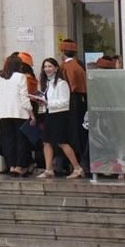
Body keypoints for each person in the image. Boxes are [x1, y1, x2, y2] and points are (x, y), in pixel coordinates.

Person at [37, 57, 85, 179]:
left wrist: (49, 103)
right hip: (49, 114)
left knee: (61, 142)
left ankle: (77, 168)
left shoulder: (62, 83)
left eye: (50, 66)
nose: (47, 69)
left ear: (56, 68)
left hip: (59, 115)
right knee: (46, 141)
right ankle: (49, 169)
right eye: (45, 66)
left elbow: (65, 101)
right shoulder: (45, 83)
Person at [0, 53, 35, 177]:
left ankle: (11, 165)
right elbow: (24, 97)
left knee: (8, 141)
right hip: (19, 112)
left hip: (3, 112)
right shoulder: (20, 77)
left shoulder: (0, 77)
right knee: (21, 140)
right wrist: (31, 113)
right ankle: (19, 166)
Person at [59, 39, 90, 173]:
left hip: (71, 101)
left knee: (72, 133)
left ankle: (75, 164)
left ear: (63, 52)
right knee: (80, 132)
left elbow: (69, 85)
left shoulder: (67, 66)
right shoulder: (79, 65)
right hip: (81, 100)